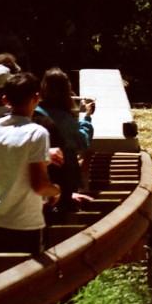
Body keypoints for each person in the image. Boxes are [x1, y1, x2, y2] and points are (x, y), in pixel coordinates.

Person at [0, 72, 60, 257]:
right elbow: (39, 185)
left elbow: (10, 155)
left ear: (5, 99)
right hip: (24, 222)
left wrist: (45, 157)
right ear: (36, 97)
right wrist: (56, 191)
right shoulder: (37, 133)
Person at [35, 68, 94, 213]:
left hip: (39, 176)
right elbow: (82, 142)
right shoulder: (66, 119)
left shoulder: (35, 113)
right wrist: (87, 117)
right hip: (62, 179)